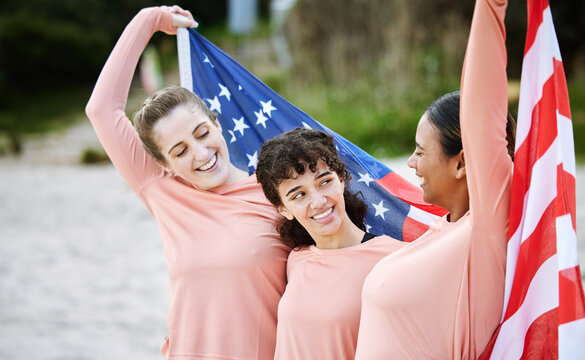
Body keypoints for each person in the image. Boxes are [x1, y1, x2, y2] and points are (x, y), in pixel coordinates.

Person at [85, 6, 290, 359]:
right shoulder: (163, 192)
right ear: (164, 163)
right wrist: (149, 20)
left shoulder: (278, 193)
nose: (200, 154)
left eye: (201, 133)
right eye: (179, 151)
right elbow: (101, 109)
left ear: (216, 122)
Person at [354, 0, 515, 358]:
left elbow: (482, 112)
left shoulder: (486, 230)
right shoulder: (441, 228)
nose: (410, 162)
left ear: (462, 163)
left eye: (421, 151)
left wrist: (490, 6)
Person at [255, 128, 405, 360]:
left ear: (341, 178)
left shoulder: (392, 259)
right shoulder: (296, 259)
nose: (318, 202)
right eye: (298, 195)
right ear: (284, 209)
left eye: (324, 182)